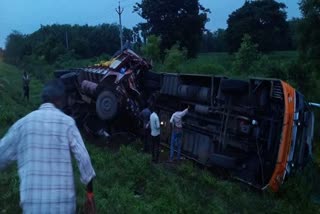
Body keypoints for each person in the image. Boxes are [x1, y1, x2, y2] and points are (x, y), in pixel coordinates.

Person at [0, 79, 96, 213]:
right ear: (60, 100)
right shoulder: (67, 123)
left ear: (43, 98)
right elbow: (84, 159)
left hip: (32, 206)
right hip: (64, 206)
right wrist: (90, 194)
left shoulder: (22, 125)